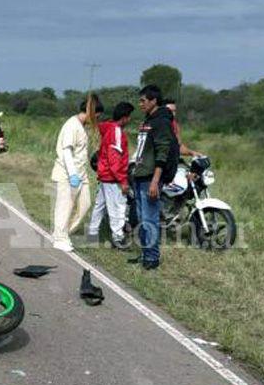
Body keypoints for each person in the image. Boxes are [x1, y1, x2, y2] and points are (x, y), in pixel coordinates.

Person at [129, 85, 177, 269]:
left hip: (151, 177)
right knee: (142, 219)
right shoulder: (148, 120)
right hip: (140, 174)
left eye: (143, 100)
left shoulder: (162, 122)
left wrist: (156, 181)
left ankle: (152, 258)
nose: (140, 104)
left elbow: (162, 153)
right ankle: (145, 254)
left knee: (150, 219)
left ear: (154, 100)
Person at [51, 94, 103, 252]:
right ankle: (59, 238)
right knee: (64, 207)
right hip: (67, 174)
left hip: (81, 174)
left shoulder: (82, 127)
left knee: (85, 205)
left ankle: (64, 232)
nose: (97, 120)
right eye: (97, 116)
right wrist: (72, 174)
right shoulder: (71, 125)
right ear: (91, 112)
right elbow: (67, 151)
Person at [87, 102, 135, 248]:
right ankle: (118, 238)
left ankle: (92, 234)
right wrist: (123, 181)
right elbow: (115, 160)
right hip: (112, 177)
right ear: (125, 117)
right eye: (129, 117)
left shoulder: (108, 127)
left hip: (105, 175)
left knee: (99, 206)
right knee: (117, 207)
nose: (130, 120)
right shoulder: (117, 132)